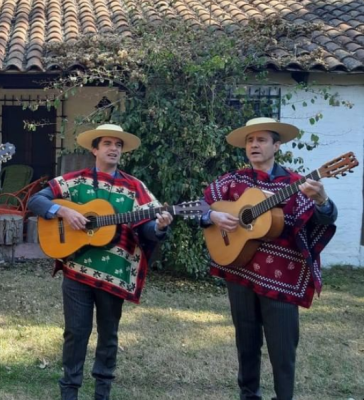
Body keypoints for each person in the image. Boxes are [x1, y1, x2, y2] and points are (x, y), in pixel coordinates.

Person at [28, 124, 172, 400]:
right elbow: (37, 200)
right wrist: (64, 212)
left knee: (109, 336)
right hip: (76, 272)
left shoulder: (135, 188)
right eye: (107, 143)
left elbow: (146, 229)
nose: (114, 148)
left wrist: (161, 226)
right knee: (75, 333)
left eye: (118, 145)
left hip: (114, 273)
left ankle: (102, 393)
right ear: (95, 149)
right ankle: (69, 392)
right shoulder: (75, 181)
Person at [201, 117, 337, 400]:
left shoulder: (296, 183)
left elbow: (325, 219)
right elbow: (200, 205)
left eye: (261, 140)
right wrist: (211, 215)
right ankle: (248, 395)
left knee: (282, 349)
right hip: (239, 271)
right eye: (250, 141)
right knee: (246, 343)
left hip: (281, 279)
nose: (254, 145)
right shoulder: (233, 180)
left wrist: (323, 200)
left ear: (276, 145)